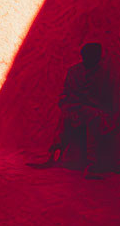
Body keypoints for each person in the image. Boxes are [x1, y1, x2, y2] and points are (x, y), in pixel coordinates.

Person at [31, 42, 115, 178]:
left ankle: (91, 164)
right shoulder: (74, 72)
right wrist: (73, 106)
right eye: (86, 56)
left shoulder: (103, 74)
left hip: (93, 111)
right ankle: (54, 155)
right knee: (64, 117)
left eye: (93, 56)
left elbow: (104, 99)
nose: (89, 59)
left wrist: (85, 102)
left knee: (96, 120)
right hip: (75, 108)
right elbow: (66, 94)